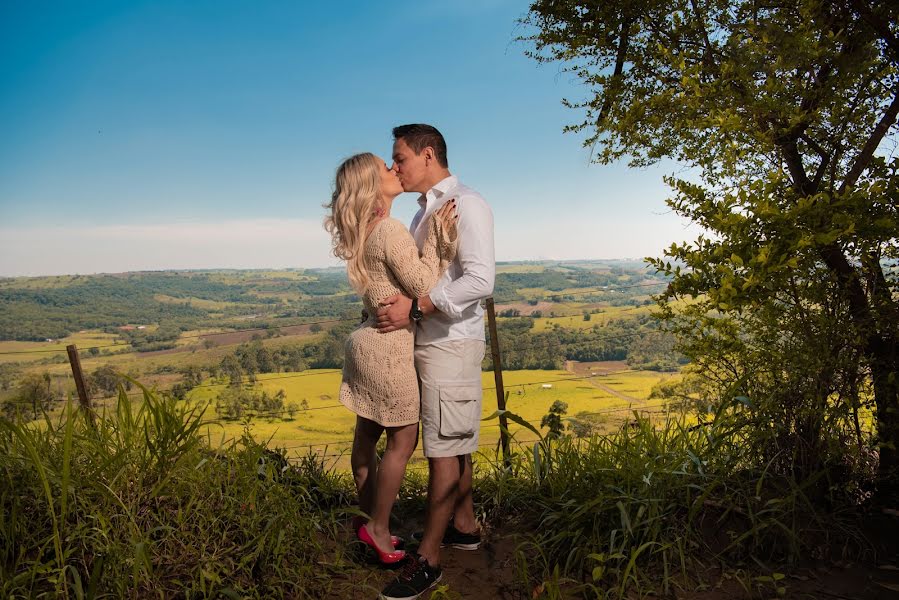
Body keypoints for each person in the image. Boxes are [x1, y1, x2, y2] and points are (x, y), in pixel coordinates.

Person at [376, 125, 495, 600]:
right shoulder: (424, 211)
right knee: (454, 437)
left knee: (442, 450)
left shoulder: (467, 203)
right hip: (433, 341)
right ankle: (463, 528)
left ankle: (428, 560)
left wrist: (418, 305)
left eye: (400, 158)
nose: (396, 167)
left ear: (428, 154)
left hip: (451, 343)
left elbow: (481, 280)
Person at [324, 152, 458, 565]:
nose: (394, 170)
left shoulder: (363, 232)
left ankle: (367, 519)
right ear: (371, 184)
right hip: (387, 347)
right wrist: (440, 237)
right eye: (386, 168)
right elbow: (423, 283)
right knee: (403, 438)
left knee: (366, 437)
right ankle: (378, 528)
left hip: (365, 341)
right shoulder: (390, 230)